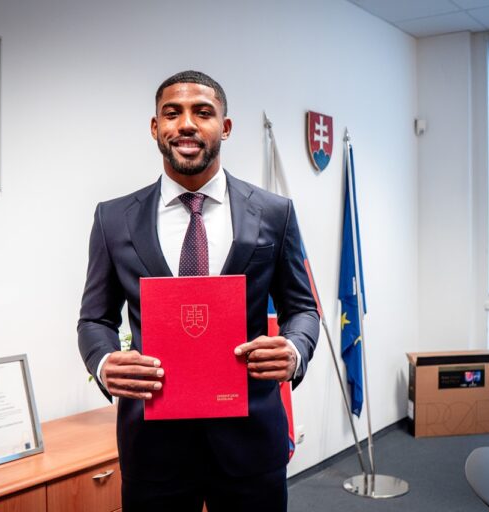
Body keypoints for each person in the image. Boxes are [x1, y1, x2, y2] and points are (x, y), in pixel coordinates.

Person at [77, 70, 319, 512]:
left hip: (250, 437)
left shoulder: (274, 212)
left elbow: (303, 308)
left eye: (202, 113)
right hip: (153, 444)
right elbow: (94, 318)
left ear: (225, 127)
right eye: (172, 113)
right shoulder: (113, 219)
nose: (186, 124)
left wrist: (295, 350)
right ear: (156, 127)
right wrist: (104, 362)